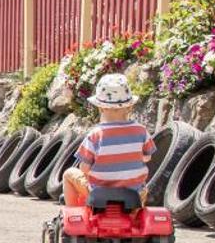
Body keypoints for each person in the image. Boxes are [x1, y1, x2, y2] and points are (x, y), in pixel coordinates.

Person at [62, 72, 156, 208]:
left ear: (100, 107)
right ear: (130, 106)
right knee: (142, 183)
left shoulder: (95, 135)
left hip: (100, 194)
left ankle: (72, 212)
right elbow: (147, 158)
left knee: (69, 174)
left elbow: (84, 167)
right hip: (135, 195)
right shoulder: (141, 130)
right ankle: (134, 215)